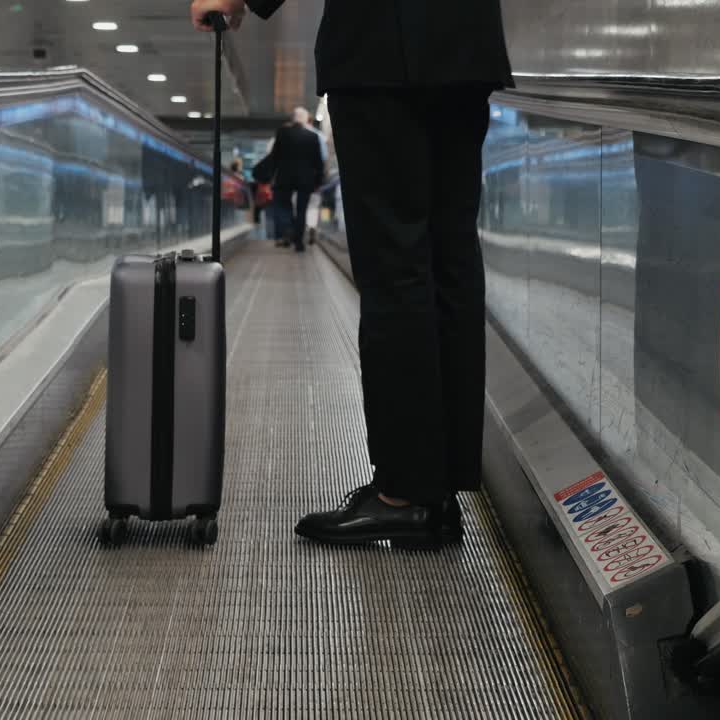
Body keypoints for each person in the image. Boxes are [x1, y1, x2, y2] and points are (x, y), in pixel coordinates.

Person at [191, 0, 513, 547]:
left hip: (383, 48)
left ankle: (404, 493)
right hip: (465, 42)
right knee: (449, 257)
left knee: (396, 264)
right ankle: (441, 490)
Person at [268, 107, 325, 252]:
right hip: (305, 180)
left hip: (284, 178)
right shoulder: (313, 137)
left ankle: (288, 228)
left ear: (293, 118)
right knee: (302, 210)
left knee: (283, 205)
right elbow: (318, 162)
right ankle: (299, 242)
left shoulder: (282, 133)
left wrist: (271, 175)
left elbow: (275, 156)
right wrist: (318, 181)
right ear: (306, 119)